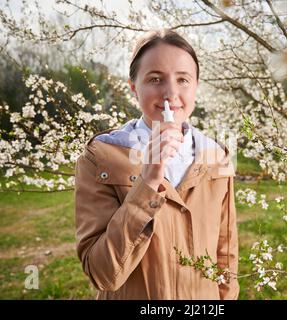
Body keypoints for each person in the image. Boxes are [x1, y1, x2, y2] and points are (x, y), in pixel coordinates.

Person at [74, 28, 239, 300]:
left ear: (196, 86)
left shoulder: (216, 156)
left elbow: (226, 256)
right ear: (133, 87)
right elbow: (102, 273)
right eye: (155, 79)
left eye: (183, 79)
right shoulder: (101, 156)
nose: (170, 93)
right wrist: (148, 181)